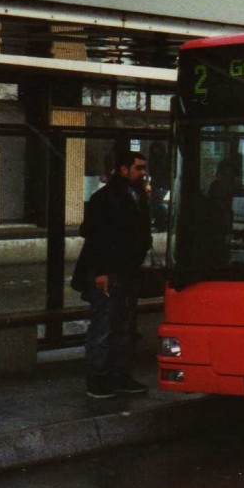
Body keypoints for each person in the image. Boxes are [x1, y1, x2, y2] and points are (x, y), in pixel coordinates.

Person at [71, 150, 153, 399]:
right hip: (109, 272)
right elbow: (96, 237)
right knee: (105, 326)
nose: (142, 173)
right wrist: (100, 272)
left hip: (126, 271)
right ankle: (98, 378)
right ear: (124, 169)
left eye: (143, 168)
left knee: (122, 326)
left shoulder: (134, 195)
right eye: (138, 168)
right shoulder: (106, 198)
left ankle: (118, 375)